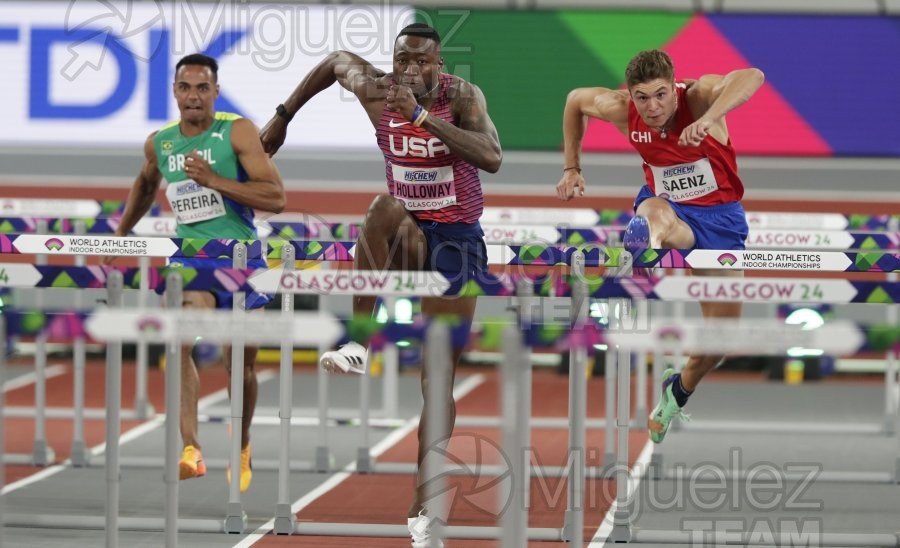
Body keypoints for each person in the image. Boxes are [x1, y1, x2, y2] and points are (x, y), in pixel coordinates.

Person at [260, 23, 501, 547]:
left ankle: (424, 496)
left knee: (438, 375)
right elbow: (333, 62)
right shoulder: (375, 90)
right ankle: (357, 340)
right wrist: (282, 118)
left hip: (457, 239)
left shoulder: (461, 98)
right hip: (409, 235)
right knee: (383, 206)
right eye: (403, 61)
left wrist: (422, 119)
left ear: (439, 66)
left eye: (422, 63)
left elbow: (492, 158)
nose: (411, 70)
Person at [556, 49, 764, 443]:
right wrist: (572, 167)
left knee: (720, 342)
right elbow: (574, 101)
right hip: (670, 211)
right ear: (630, 95)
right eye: (642, 97)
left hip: (720, 221)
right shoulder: (621, 108)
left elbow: (752, 74)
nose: (652, 108)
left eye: (660, 95)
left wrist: (707, 119)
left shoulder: (700, 96)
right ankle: (645, 246)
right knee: (653, 211)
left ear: (673, 87)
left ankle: (677, 390)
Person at [104, 53, 286, 491]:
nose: (193, 96)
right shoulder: (160, 143)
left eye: (202, 88)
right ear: (174, 92)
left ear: (215, 92)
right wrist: (122, 233)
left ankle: (240, 445)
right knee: (178, 340)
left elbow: (276, 197)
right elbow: (147, 183)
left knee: (238, 363)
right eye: (186, 87)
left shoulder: (236, 131)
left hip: (242, 259)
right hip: (191, 258)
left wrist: (214, 181)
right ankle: (191, 448)